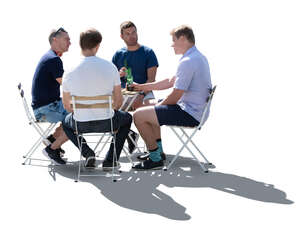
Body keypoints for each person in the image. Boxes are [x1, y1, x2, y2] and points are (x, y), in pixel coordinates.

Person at [131, 25, 212, 170]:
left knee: (138, 115)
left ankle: (155, 159)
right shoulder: (195, 57)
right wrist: (143, 87)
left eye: (173, 40)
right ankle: (158, 152)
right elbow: (170, 82)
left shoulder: (188, 61)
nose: (172, 44)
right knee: (146, 104)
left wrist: (155, 108)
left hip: (190, 114)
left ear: (182, 39)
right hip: (192, 109)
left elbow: (174, 97)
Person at [62, 28, 132, 169]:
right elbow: (118, 102)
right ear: (97, 45)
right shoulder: (110, 67)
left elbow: (67, 107)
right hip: (108, 122)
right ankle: (110, 160)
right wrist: (108, 112)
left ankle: (88, 153)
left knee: (65, 123)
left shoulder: (69, 71)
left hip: (80, 124)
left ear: (80, 45)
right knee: (127, 118)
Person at [112, 21, 159, 153]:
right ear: (122, 36)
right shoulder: (118, 54)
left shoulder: (148, 52)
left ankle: (157, 150)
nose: (132, 36)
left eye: (134, 32)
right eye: (128, 34)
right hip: (123, 94)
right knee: (106, 113)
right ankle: (129, 134)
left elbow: (152, 80)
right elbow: (110, 79)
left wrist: (142, 95)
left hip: (144, 92)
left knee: (151, 109)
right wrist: (118, 74)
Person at [31, 27, 71, 165]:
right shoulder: (53, 60)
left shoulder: (50, 57)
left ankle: (52, 140)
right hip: (46, 110)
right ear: (55, 39)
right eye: (67, 39)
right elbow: (66, 86)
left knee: (73, 112)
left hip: (45, 106)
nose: (70, 43)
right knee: (79, 117)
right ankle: (52, 148)